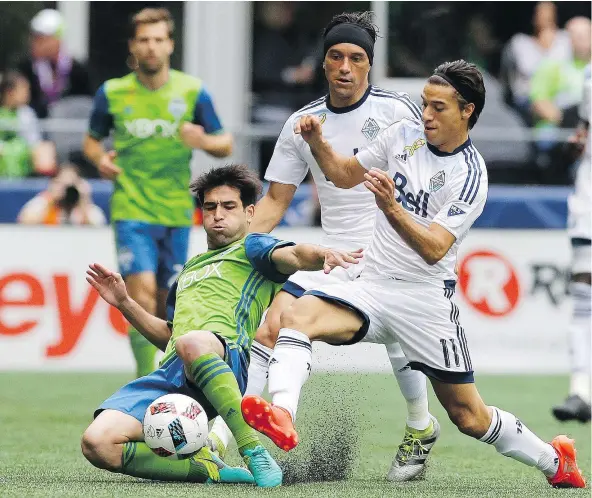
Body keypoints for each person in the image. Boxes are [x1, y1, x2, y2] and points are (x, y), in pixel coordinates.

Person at [242, 60, 586, 489]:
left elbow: (434, 248)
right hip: (372, 285)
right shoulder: (402, 136)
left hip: (425, 302)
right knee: (296, 317)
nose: (425, 115)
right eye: (424, 104)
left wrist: (390, 207)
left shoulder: (470, 174)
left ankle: (557, 462)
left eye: (438, 107)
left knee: (468, 416)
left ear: (467, 111)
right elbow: (343, 175)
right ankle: (283, 415)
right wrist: (317, 143)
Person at [208, 11, 437, 482]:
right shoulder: (302, 122)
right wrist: (234, 248)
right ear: (324, 63)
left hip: (392, 250)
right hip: (333, 255)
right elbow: (275, 199)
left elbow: (427, 177)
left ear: (370, 65)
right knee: (271, 326)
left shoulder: (398, 111)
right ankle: (221, 436)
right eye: (336, 56)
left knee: (400, 342)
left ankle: (420, 426)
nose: (346, 67)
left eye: (356, 57)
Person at [80, 164, 362, 488]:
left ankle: (252, 450)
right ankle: (207, 469)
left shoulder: (252, 248)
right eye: (210, 207)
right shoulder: (188, 270)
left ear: (249, 212)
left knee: (193, 343)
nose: (217, 215)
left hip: (227, 359)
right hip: (175, 370)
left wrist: (321, 254)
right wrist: (124, 303)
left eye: (229, 207)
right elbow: (171, 339)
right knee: (97, 443)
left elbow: (295, 254)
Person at [83, 8, 233, 378]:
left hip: (177, 211)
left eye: (158, 40)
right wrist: (100, 160)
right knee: (141, 293)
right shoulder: (113, 93)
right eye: (144, 40)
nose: (151, 47)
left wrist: (203, 140)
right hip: (131, 208)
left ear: (170, 45)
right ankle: (142, 376)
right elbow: (91, 142)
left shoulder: (192, 91)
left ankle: (167, 373)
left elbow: (225, 142)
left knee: (169, 302)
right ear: (133, 46)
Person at [552, 63, 591, 423]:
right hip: (588, 199)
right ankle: (580, 390)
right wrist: (578, 142)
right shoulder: (590, 73)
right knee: (584, 293)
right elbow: (586, 127)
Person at [16, 8, 93, 119]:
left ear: (57, 40)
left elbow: (85, 105)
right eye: (33, 38)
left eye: (41, 39)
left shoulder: (78, 70)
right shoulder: (25, 69)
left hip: (67, 131)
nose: (34, 43)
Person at [0, 70, 56, 178]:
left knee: (46, 149)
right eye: (23, 89)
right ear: (9, 92)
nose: (27, 94)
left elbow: (34, 141)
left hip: (24, 154)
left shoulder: (27, 113)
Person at [17, 164, 106, 225]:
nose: (66, 190)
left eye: (70, 184)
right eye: (62, 184)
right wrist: (51, 200)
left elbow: (98, 230)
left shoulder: (88, 208)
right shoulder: (42, 203)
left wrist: (84, 200)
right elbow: (24, 223)